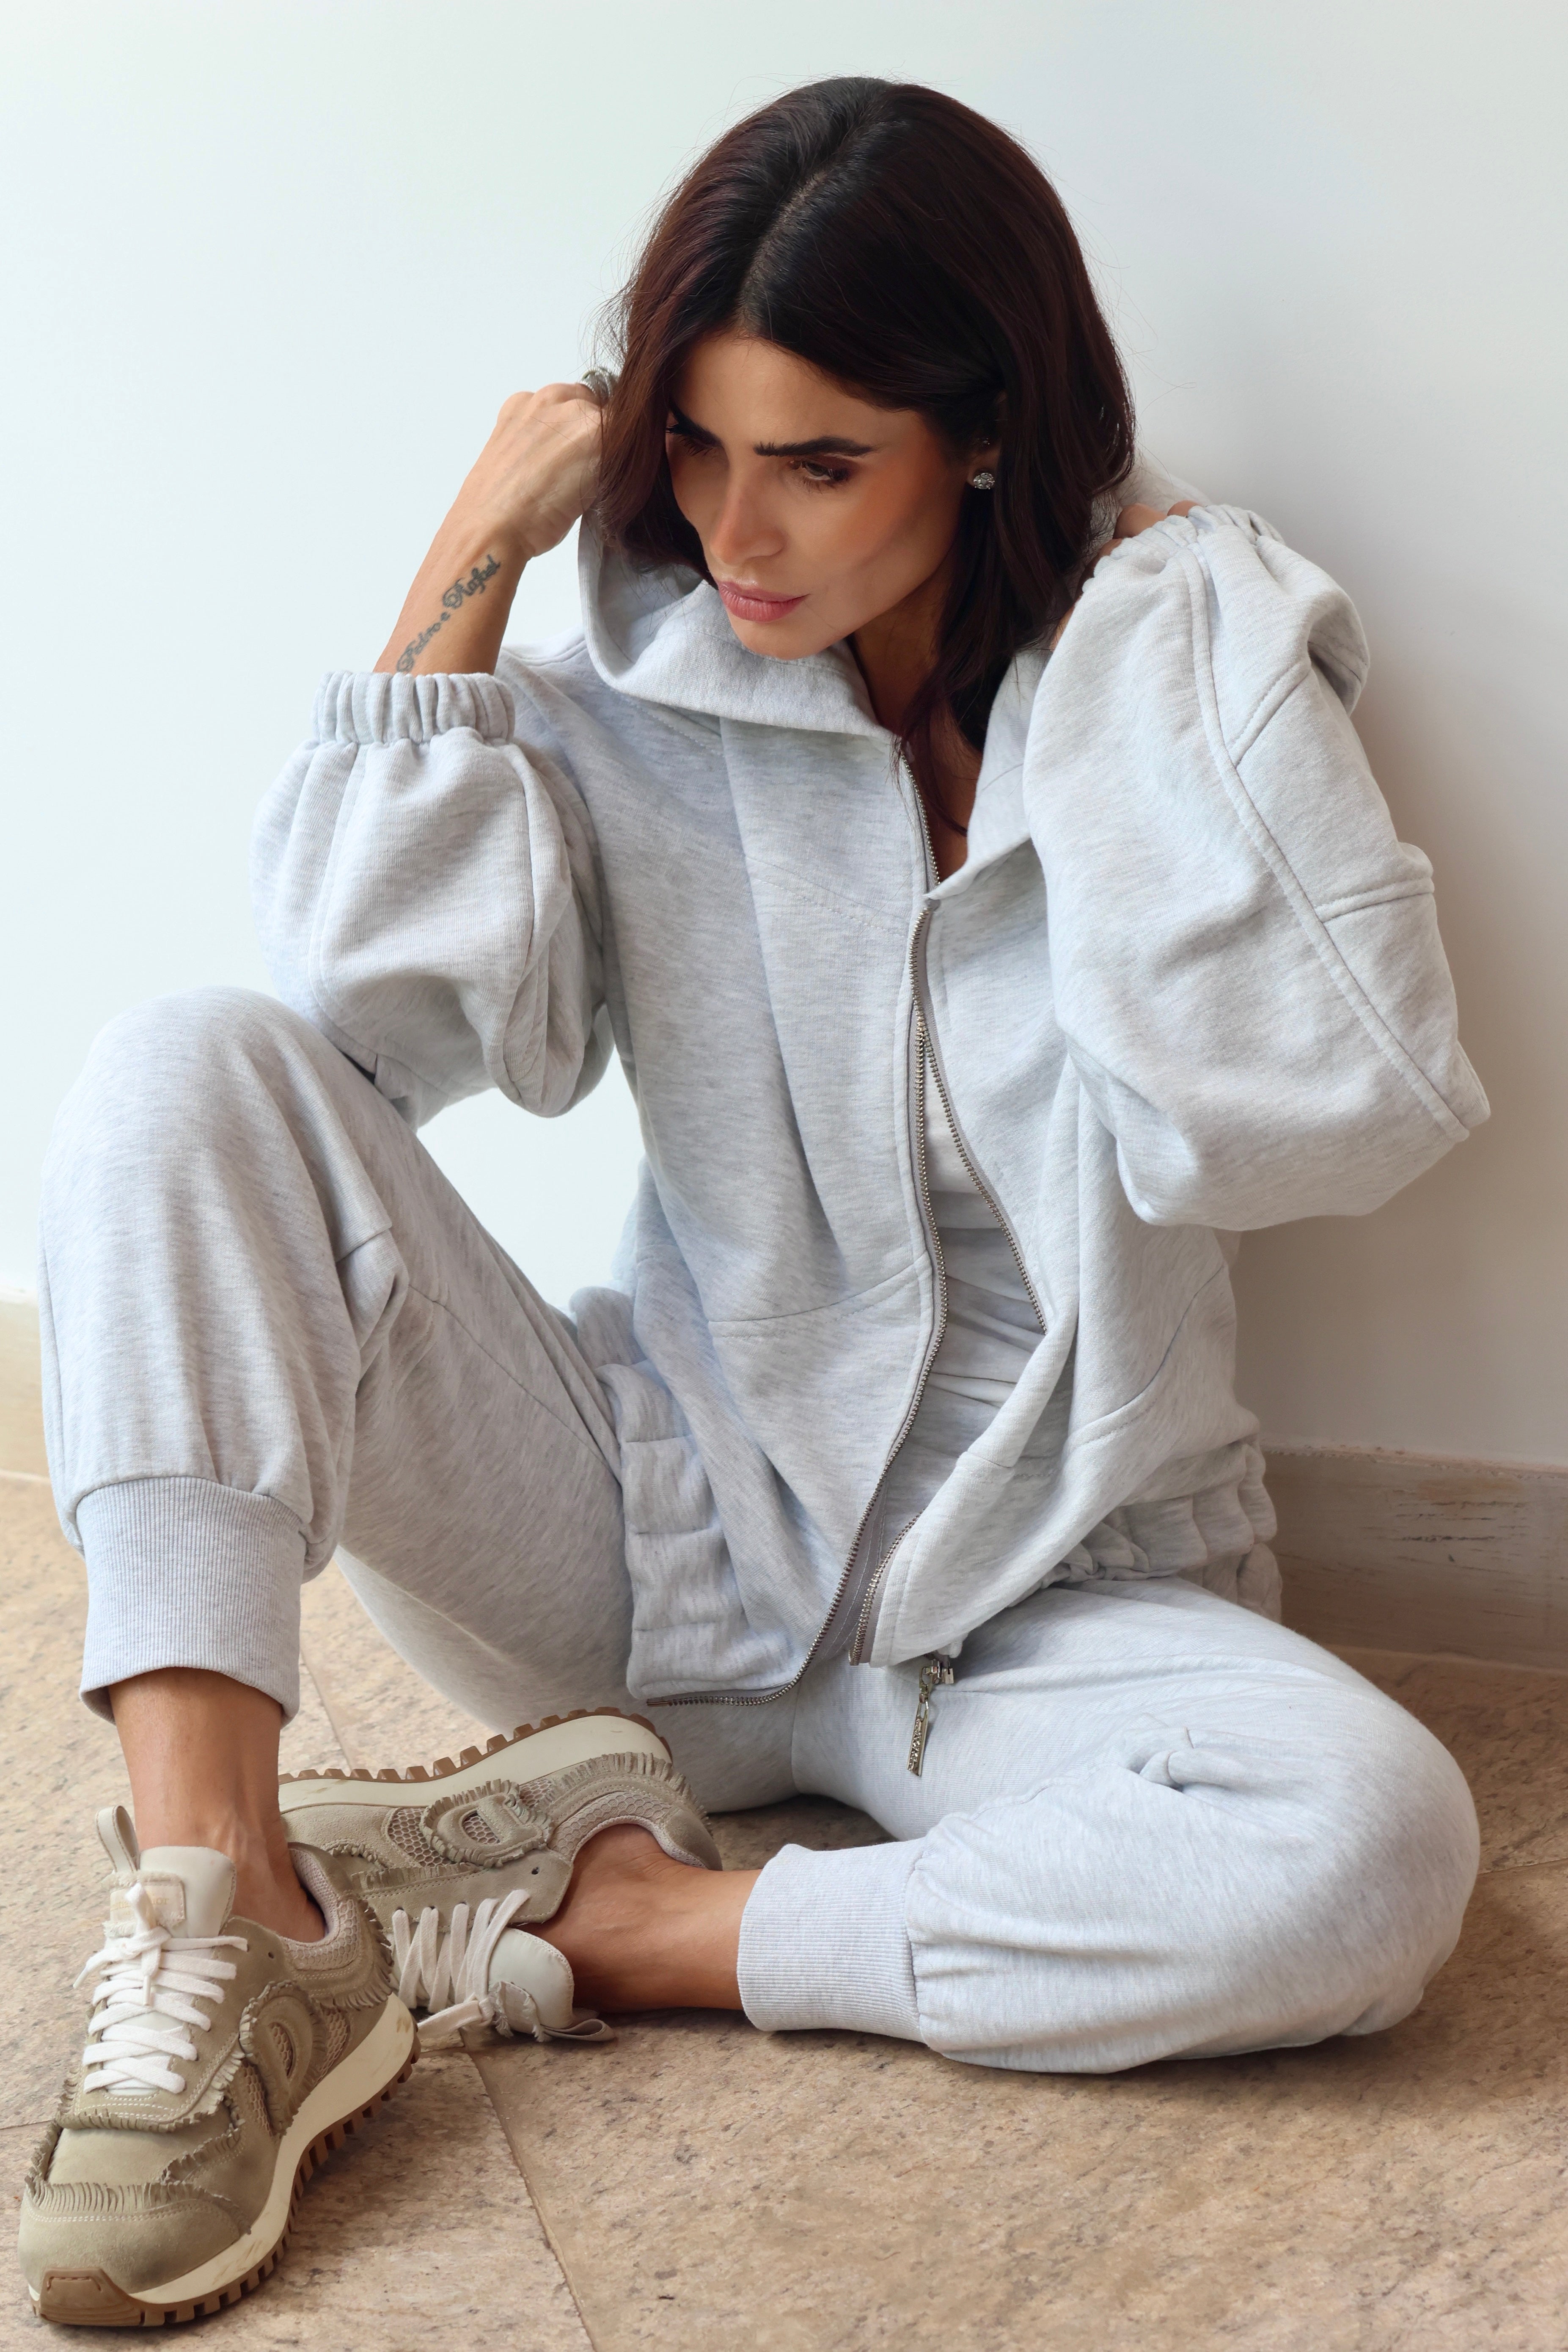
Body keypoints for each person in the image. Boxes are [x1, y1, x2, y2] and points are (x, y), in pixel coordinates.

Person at [22, 75, 1487, 2328]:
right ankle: (243, 1909)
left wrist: (1172, 635)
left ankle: (625, 1917)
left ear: (984, 438)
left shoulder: (1147, 682)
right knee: (175, 1067)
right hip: (651, 1540)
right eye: (695, 447)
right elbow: (377, 1028)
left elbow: (1316, 1110)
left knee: (1374, 1847)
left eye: (819, 463)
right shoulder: (645, 681)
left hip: (1046, 1608)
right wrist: (474, 554)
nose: (735, 531)